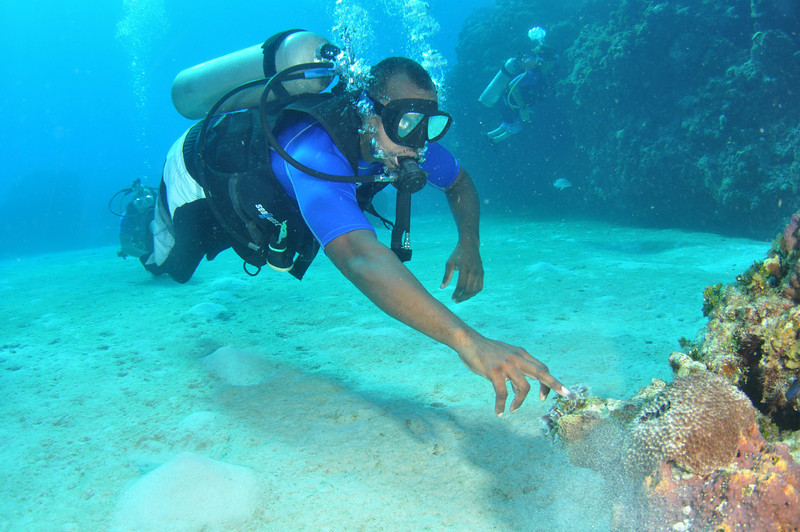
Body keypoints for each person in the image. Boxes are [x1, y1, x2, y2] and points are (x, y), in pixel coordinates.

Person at [127, 32, 572, 416]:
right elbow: (360, 256)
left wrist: (469, 242)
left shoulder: (404, 142)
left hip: (270, 207)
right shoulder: (313, 151)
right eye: (406, 122)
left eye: (429, 124)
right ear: (368, 113)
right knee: (172, 264)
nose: (418, 144)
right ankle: (143, 211)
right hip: (198, 177)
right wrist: (467, 339)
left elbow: (459, 181)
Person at [480, 26, 557, 144]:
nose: (553, 65)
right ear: (545, 61)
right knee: (515, 127)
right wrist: (523, 108)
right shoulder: (533, 74)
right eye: (552, 62)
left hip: (506, 102)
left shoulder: (535, 72)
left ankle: (488, 136)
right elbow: (513, 86)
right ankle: (493, 141)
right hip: (508, 102)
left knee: (507, 124)